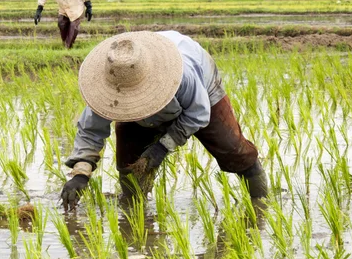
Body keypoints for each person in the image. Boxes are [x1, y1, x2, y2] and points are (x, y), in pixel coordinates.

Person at [60, 30, 268, 209]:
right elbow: (90, 130)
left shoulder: (182, 75)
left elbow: (198, 113)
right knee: (129, 165)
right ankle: (137, 213)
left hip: (200, 86)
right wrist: (81, 172)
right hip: (140, 93)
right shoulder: (107, 87)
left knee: (231, 147)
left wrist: (163, 146)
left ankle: (262, 203)